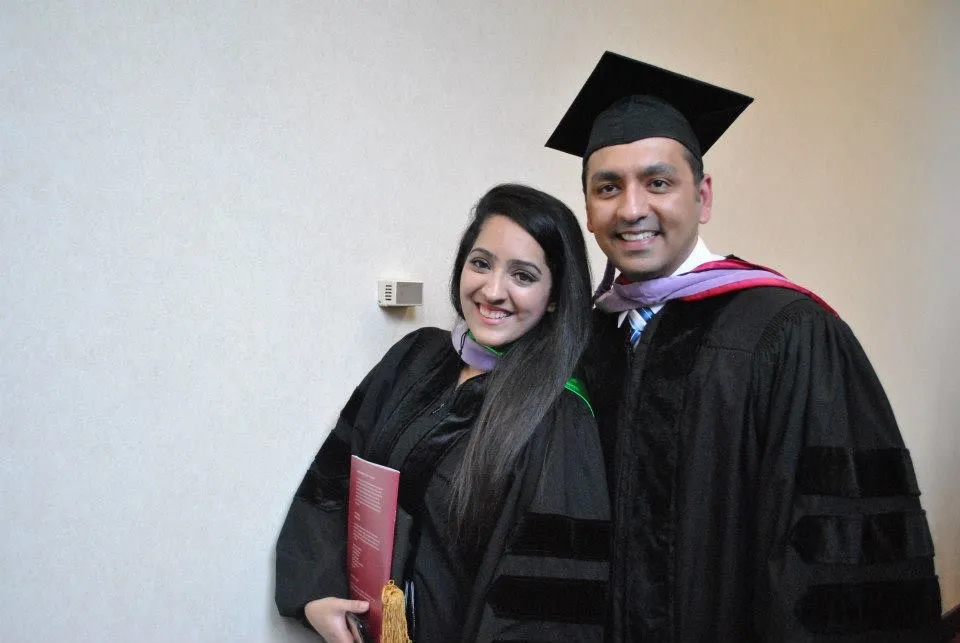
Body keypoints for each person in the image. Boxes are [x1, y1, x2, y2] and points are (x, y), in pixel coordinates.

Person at [546, 52, 942, 642]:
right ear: (587, 208)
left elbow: (846, 560)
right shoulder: (585, 339)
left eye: (658, 182)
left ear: (703, 197)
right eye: (609, 187)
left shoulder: (791, 333)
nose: (631, 209)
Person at [275, 183, 610, 642]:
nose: (493, 291)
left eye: (524, 276)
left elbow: (546, 609)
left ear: (555, 296)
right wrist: (317, 594)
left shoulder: (558, 419)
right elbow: (334, 477)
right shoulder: (415, 357)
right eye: (481, 263)